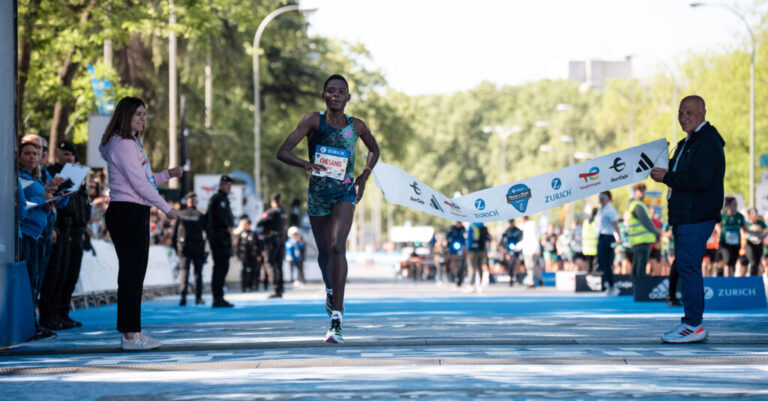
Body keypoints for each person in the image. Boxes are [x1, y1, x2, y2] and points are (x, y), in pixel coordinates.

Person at [277, 74, 380, 344]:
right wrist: (305, 164)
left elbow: (374, 149)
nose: (336, 95)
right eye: (330, 91)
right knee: (324, 252)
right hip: (318, 195)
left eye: (341, 91)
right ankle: (331, 289)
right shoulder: (313, 121)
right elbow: (283, 151)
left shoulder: (356, 126)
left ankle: (337, 316)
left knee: (337, 245)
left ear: (348, 97)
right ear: (324, 95)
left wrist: (364, 176)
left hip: (345, 193)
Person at [99, 96, 182, 350]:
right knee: (132, 275)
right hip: (128, 212)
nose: (143, 119)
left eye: (144, 114)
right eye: (138, 114)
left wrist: (167, 175)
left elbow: (144, 178)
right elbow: (139, 184)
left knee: (133, 275)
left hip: (131, 210)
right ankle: (130, 335)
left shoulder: (128, 143)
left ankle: (132, 331)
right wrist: (167, 208)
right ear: (125, 116)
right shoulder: (123, 144)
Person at [651, 94, 725, 343]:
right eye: (681, 113)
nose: (684, 117)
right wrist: (662, 168)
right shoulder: (687, 143)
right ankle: (692, 322)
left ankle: (694, 323)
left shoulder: (707, 142)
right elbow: (678, 171)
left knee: (688, 265)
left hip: (697, 214)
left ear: (703, 113)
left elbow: (700, 180)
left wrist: (668, 178)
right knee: (686, 265)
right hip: (686, 214)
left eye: (689, 113)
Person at [39, 141, 91, 330]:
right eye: (65, 154)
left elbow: (83, 204)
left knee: (70, 275)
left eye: (72, 155)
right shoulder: (51, 172)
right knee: (55, 274)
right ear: (58, 154)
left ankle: (62, 313)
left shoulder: (78, 175)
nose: (68, 158)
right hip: (58, 226)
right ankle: (49, 315)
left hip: (76, 230)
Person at [18, 141, 63, 341]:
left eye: (36, 154)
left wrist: (53, 196)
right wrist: (41, 199)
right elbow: (20, 204)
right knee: (30, 280)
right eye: (28, 153)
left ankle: (32, 324)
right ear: (18, 156)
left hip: (40, 233)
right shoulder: (18, 177)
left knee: (36, 279)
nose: (32, 157)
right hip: (27, 233)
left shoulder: (35, 178)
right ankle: (28, 326)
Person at [172, 192, 207, 305]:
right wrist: (205, 249)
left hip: (184, 247)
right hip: (197, 246)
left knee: (184, 272)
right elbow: (207, 233)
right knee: (197, 273)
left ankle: (183, 298)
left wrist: (176, 248)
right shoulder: (200, 215)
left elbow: (174, 234)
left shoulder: (181, 214)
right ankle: (198, 298)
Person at [207, 175, 235, 308]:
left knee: (223, 268)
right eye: (227, 185)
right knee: (220, 268)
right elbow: (221, 220)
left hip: (223, 237)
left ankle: (219, 296)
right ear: (221, 185)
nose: (229, 187)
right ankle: (217, 298)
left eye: (230, 185)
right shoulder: (218, 199)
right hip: (219, 238)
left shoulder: (223, 199)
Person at [627, 183, 661, 291]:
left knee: (637, 265)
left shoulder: (639, 204)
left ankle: (635, 288)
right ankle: (639, 289)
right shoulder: (637, 205)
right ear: (635, 192)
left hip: (640, 241)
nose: (642, 192)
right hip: (641, 241)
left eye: (643, 190)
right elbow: (646, 222)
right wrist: (657, 232)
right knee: (640, 267)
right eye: (639, 190)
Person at [258, 193, 287, 298]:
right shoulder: (283, 212)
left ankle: (275, 288)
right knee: (278, 265)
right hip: (280, 240)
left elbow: (260, 223)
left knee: (270, 263)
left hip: (271, 241)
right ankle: (280, 287)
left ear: (272, 202)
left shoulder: (271, 212)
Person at [595, 191, 621, 296]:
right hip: (601, 238)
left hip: (608, 238)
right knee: (601, 263)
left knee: (607, 263)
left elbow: (615, 225)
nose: (601, 199)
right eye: (599, 197)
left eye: (603, 197)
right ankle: (609, 285)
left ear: (609, 198)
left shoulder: (610, 210)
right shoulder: (600, 210)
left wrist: (619, 238)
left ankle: (612, 286)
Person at [234, 215, 264, 292]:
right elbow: (237, 245)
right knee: (245, 271)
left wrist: (259, 254)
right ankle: (244, 286)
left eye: (247, 224)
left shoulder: (254, 234)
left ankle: (253, 285)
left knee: (255, 270)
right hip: (244, 255)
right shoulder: (240, 234)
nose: (246, 226)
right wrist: (238, 255)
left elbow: (259, 245)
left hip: (254, 255)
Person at [718, 197, 746, 277]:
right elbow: (717, 225)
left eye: (736, 204)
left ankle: (731, 278)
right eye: (734, 204)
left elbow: (745, 228)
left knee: (733, 262)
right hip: (724, 242)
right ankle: (727, 278)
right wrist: (720, 231)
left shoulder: (740, 216)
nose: (736, 206)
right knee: (728, 260)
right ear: (729, 205)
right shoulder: (722, 215)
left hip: (736, 243)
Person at [466, 221, 490, 291]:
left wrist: (468, 248)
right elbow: (487, 239)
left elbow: (469, 239)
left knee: (471, 268)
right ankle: (480, 285)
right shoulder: (483, 227)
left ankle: (471, 285)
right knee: (480, 268)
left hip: (472, 250)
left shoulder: (471, 226)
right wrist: (486, 250)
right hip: (482, 250)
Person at [520, 215, 542, 288]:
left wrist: (535, 250)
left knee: (531, 266)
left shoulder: (531, 226)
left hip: (532, 250)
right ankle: (539, 279)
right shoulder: (526, 227)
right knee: (532, 266)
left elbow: (534, 239)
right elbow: (525, 240)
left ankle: (531, 281)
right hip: (527, 250)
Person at [500, 219, 523, 285]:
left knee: (517, 263)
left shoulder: (518, 231)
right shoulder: (507, 231)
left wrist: (518, 246)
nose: (511, 224)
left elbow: (521, 238)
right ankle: (511, 278)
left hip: (517, 250)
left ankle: (518, 278)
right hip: (509, 250)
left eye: (512, 222)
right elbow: (503, 241)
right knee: (510, 264)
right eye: (510, 223)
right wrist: (505, 249)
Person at [744, 208, 766, 277]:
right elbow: (743, 230)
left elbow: (766, 230)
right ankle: (752, 278)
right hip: (749, 244)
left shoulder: (761, 222)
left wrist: (761, 232)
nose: (755, 215)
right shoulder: (747, 223)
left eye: (756, 213)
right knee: (753, 262)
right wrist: (751, 229)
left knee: (758, 262)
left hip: (759, 243)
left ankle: (757, 278)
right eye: (753, 213)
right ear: (749, 215)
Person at [446, 221, 467, 287]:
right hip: (453, 247)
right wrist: (449, 242)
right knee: (450, 259)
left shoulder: (463, 228)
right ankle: (450, 272)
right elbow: (448, 236)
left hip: (461, 246)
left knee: (464, 259)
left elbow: (464, 237)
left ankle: (462, 274)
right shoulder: (452, 228)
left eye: (460, 223)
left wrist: (464, 244)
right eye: (458, 223)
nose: (459, 224)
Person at [581, 208, 599, 273]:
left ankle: (588, 280)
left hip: (586, 248)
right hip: (594, 247)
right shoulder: (597, 222)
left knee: (589, 267)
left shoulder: (585, 222)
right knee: (595, 268)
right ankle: (594, 281)